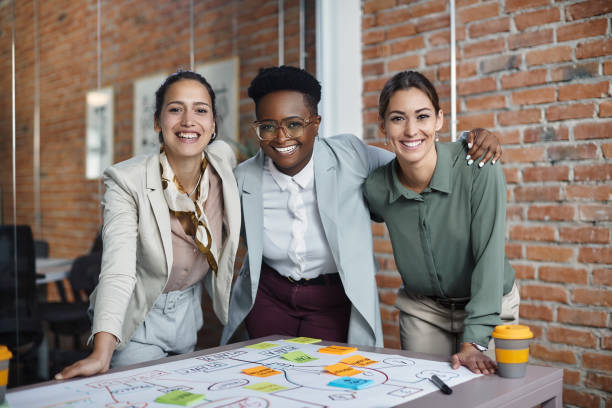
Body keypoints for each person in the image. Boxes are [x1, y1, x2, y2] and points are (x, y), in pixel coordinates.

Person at [221, 66, 503, 348]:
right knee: (267, 379)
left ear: (316, 123)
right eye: (268, 126)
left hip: (330, 300)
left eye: (294, 124)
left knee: (327, 377)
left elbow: (414, 159)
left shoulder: (351, 157)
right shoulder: (243, 178)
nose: (281, 137)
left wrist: (471, 140)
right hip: (270, 298)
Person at [56, 70, 241, 379]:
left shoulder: (223, 163)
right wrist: (102, 352)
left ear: (213, 125)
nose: (187, 120)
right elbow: (117, 270)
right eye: (175, 109)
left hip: (188, 316)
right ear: (157, 122)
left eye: (200, 109)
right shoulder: (127, 181)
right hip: (138, 317)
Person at [364, 71, 519, 375]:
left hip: (489, 305)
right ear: (382, 126)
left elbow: (489, 258)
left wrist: (474, 342)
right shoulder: (376, 188)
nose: (411, 130)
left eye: (422, 116)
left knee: (488, 398)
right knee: (426, 394)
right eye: (397, 119)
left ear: (439, 120)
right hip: (423, 311)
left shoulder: (479, 167)